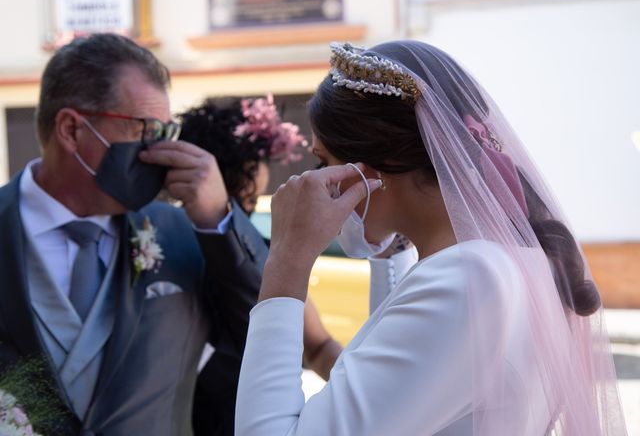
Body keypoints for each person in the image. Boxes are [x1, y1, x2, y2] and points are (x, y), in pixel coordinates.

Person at [235, 41, 628, 435]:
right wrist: (392, 245)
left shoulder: (467, 280)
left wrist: (286, 264)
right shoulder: (511, 262)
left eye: (324, 163)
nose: (314, 182)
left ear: (375, 170)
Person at [0, 33, 264, 435]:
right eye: (144, 129)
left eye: (164, 132)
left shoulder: (181, 231)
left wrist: (218, 220)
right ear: (72, 129)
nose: (155, 151)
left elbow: (266, 336)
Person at [178, 95, 342, 435]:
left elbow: (317, 346)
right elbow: (318, 346)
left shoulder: (268, 252)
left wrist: (360, 388)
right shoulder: (167, 242)